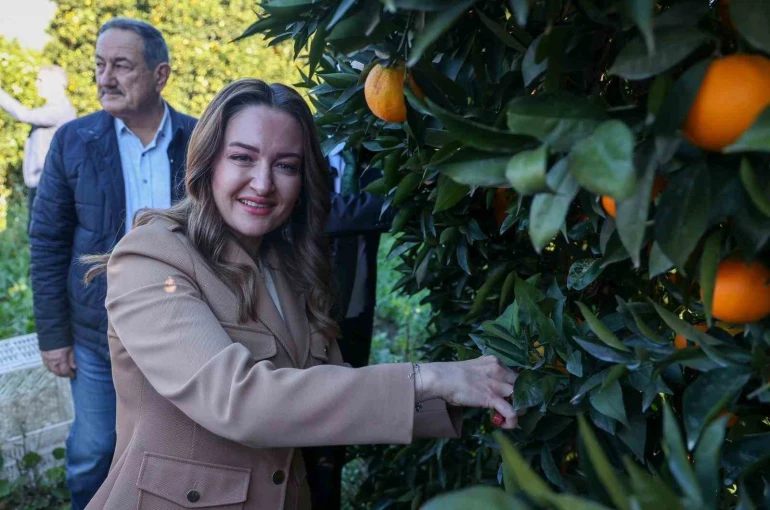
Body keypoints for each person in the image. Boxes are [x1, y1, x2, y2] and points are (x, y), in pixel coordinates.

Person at [81, 78, 519, 510]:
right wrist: (428, 377)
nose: (263, 183)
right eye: (242, 158)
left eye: (286, 166)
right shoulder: (152, 258)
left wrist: (471, 391)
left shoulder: (287, 264)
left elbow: (323, 396)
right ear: (208, 161)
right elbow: (239, 402)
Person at [28, 18, 196, 510]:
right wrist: (54, 336)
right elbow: (47, 242)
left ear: (160, 75)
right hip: (97, 332)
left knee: (179, 448)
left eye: (121, 65)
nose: (105, 78)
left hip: (184, 326)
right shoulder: (73, 140)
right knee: (94, 450)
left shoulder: (199, 139)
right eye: (100, 65)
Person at [0, 65, 75, 228]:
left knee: (41, 232)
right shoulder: (56, 107)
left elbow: (24, 115)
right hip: (43, 181)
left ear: (55, 82)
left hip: (46, 183)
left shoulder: (59, 109)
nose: (36, 84)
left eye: (41, 80)